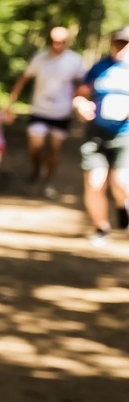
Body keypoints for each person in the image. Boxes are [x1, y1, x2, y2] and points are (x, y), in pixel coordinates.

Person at [8, 26, 85, 197]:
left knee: (54, 150)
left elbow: (81, 85)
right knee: (35, 146)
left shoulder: (75, 60)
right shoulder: (40, 58)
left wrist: (80, 103)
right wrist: (10, 104)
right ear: (50, 40)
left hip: (62, 112)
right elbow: (23, 78)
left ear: (67, 42)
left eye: (62, 42)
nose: (58, 45)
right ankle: (37, 169)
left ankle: (47, 181)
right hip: (39, 110)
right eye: (55, 41)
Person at [74, 28, 129, 245]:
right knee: (96, 183)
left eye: (125, 43)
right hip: (95, 133)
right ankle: (101, 228)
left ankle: (121, 203)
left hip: (124, 135)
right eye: (117, 43)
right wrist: (81, 106)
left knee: (121, 182)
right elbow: (81, 94)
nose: (120, 47)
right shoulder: (99, 67)